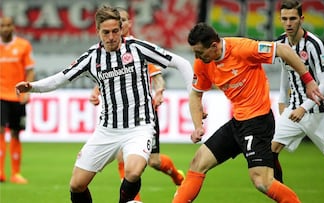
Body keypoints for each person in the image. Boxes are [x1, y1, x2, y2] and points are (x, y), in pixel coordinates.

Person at [15, 5, 193, 203]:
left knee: (133, 171)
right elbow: (60, 79)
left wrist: (194, 99)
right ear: (97, 31)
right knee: (77, 185)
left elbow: (182, 64)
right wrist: (32, 86)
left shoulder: (138, 48)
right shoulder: (92, 57)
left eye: (115, 31)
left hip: (139, 126)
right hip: (107, 130)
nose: (111, 37)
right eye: (106, 32)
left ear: (122, 28)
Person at [172, 22, 324, 203]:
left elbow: (283, 50)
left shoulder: (243, 49)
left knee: (262, 181)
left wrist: (308, 80)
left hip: (258, 121)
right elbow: (195, 95)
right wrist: (198, 126)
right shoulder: (203, 63)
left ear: (214, 46)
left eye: (199, 52)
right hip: (238, 122)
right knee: (198, 163)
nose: (197, 57)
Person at [89, 8, 185, 201]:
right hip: (118, 117)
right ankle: (134, 199)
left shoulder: (138, 49)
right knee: (123, 158)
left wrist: (159, 91)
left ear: (128, 23)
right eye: (119, 21)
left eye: (123, 21)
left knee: (154, 162)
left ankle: (176, 175)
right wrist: (96, 91)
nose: (121, 25)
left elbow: (156, 76)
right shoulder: (103, 51)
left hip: (142, 115)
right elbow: (105, 78)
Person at [271, 1, 324, 202]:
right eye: (284, 19)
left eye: (293, 18)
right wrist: (282, 100)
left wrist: (304, 107)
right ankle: (285, 200)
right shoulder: (281, 42)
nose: (288, 23)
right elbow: (286, 71)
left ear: (302, 19)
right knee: (269, 152)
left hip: (321, 113)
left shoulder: (313, 44)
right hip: (294, 109)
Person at [0, 16, 35, 184]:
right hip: (0, 95)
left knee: (15, 132)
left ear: (13, 27)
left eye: (8, 25)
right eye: (2, 26)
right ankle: (0, 172)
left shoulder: (23, 45)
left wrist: (27, 92)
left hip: (17, 96)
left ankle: (15, 173)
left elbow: (29, 70)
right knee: (0, 131)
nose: (5, 28)